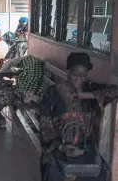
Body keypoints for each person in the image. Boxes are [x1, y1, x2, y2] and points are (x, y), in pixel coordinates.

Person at [40, 52, 118, 181]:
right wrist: (61, 147)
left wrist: (88, 95)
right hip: (57, 149)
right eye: (75, 75)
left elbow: (115, 91)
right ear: (68, 71)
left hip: (85, 150)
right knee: (54, 172)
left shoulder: (91, 89)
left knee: (102, 173)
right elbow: (45, 129)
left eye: (83, 76)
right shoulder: (51, 94)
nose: (79, 80)